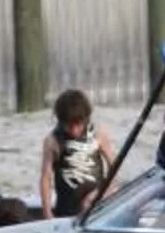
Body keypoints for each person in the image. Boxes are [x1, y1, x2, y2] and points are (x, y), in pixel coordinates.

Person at [40, 88, 114, 218]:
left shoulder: (98, 135)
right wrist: (47, 212)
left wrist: (99, 194)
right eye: (69, 125)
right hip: (66, 210)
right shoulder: (52, 141)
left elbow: (115, 170)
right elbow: (46, 178)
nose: (74, 130)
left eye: (78, 125)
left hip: (97, 208)